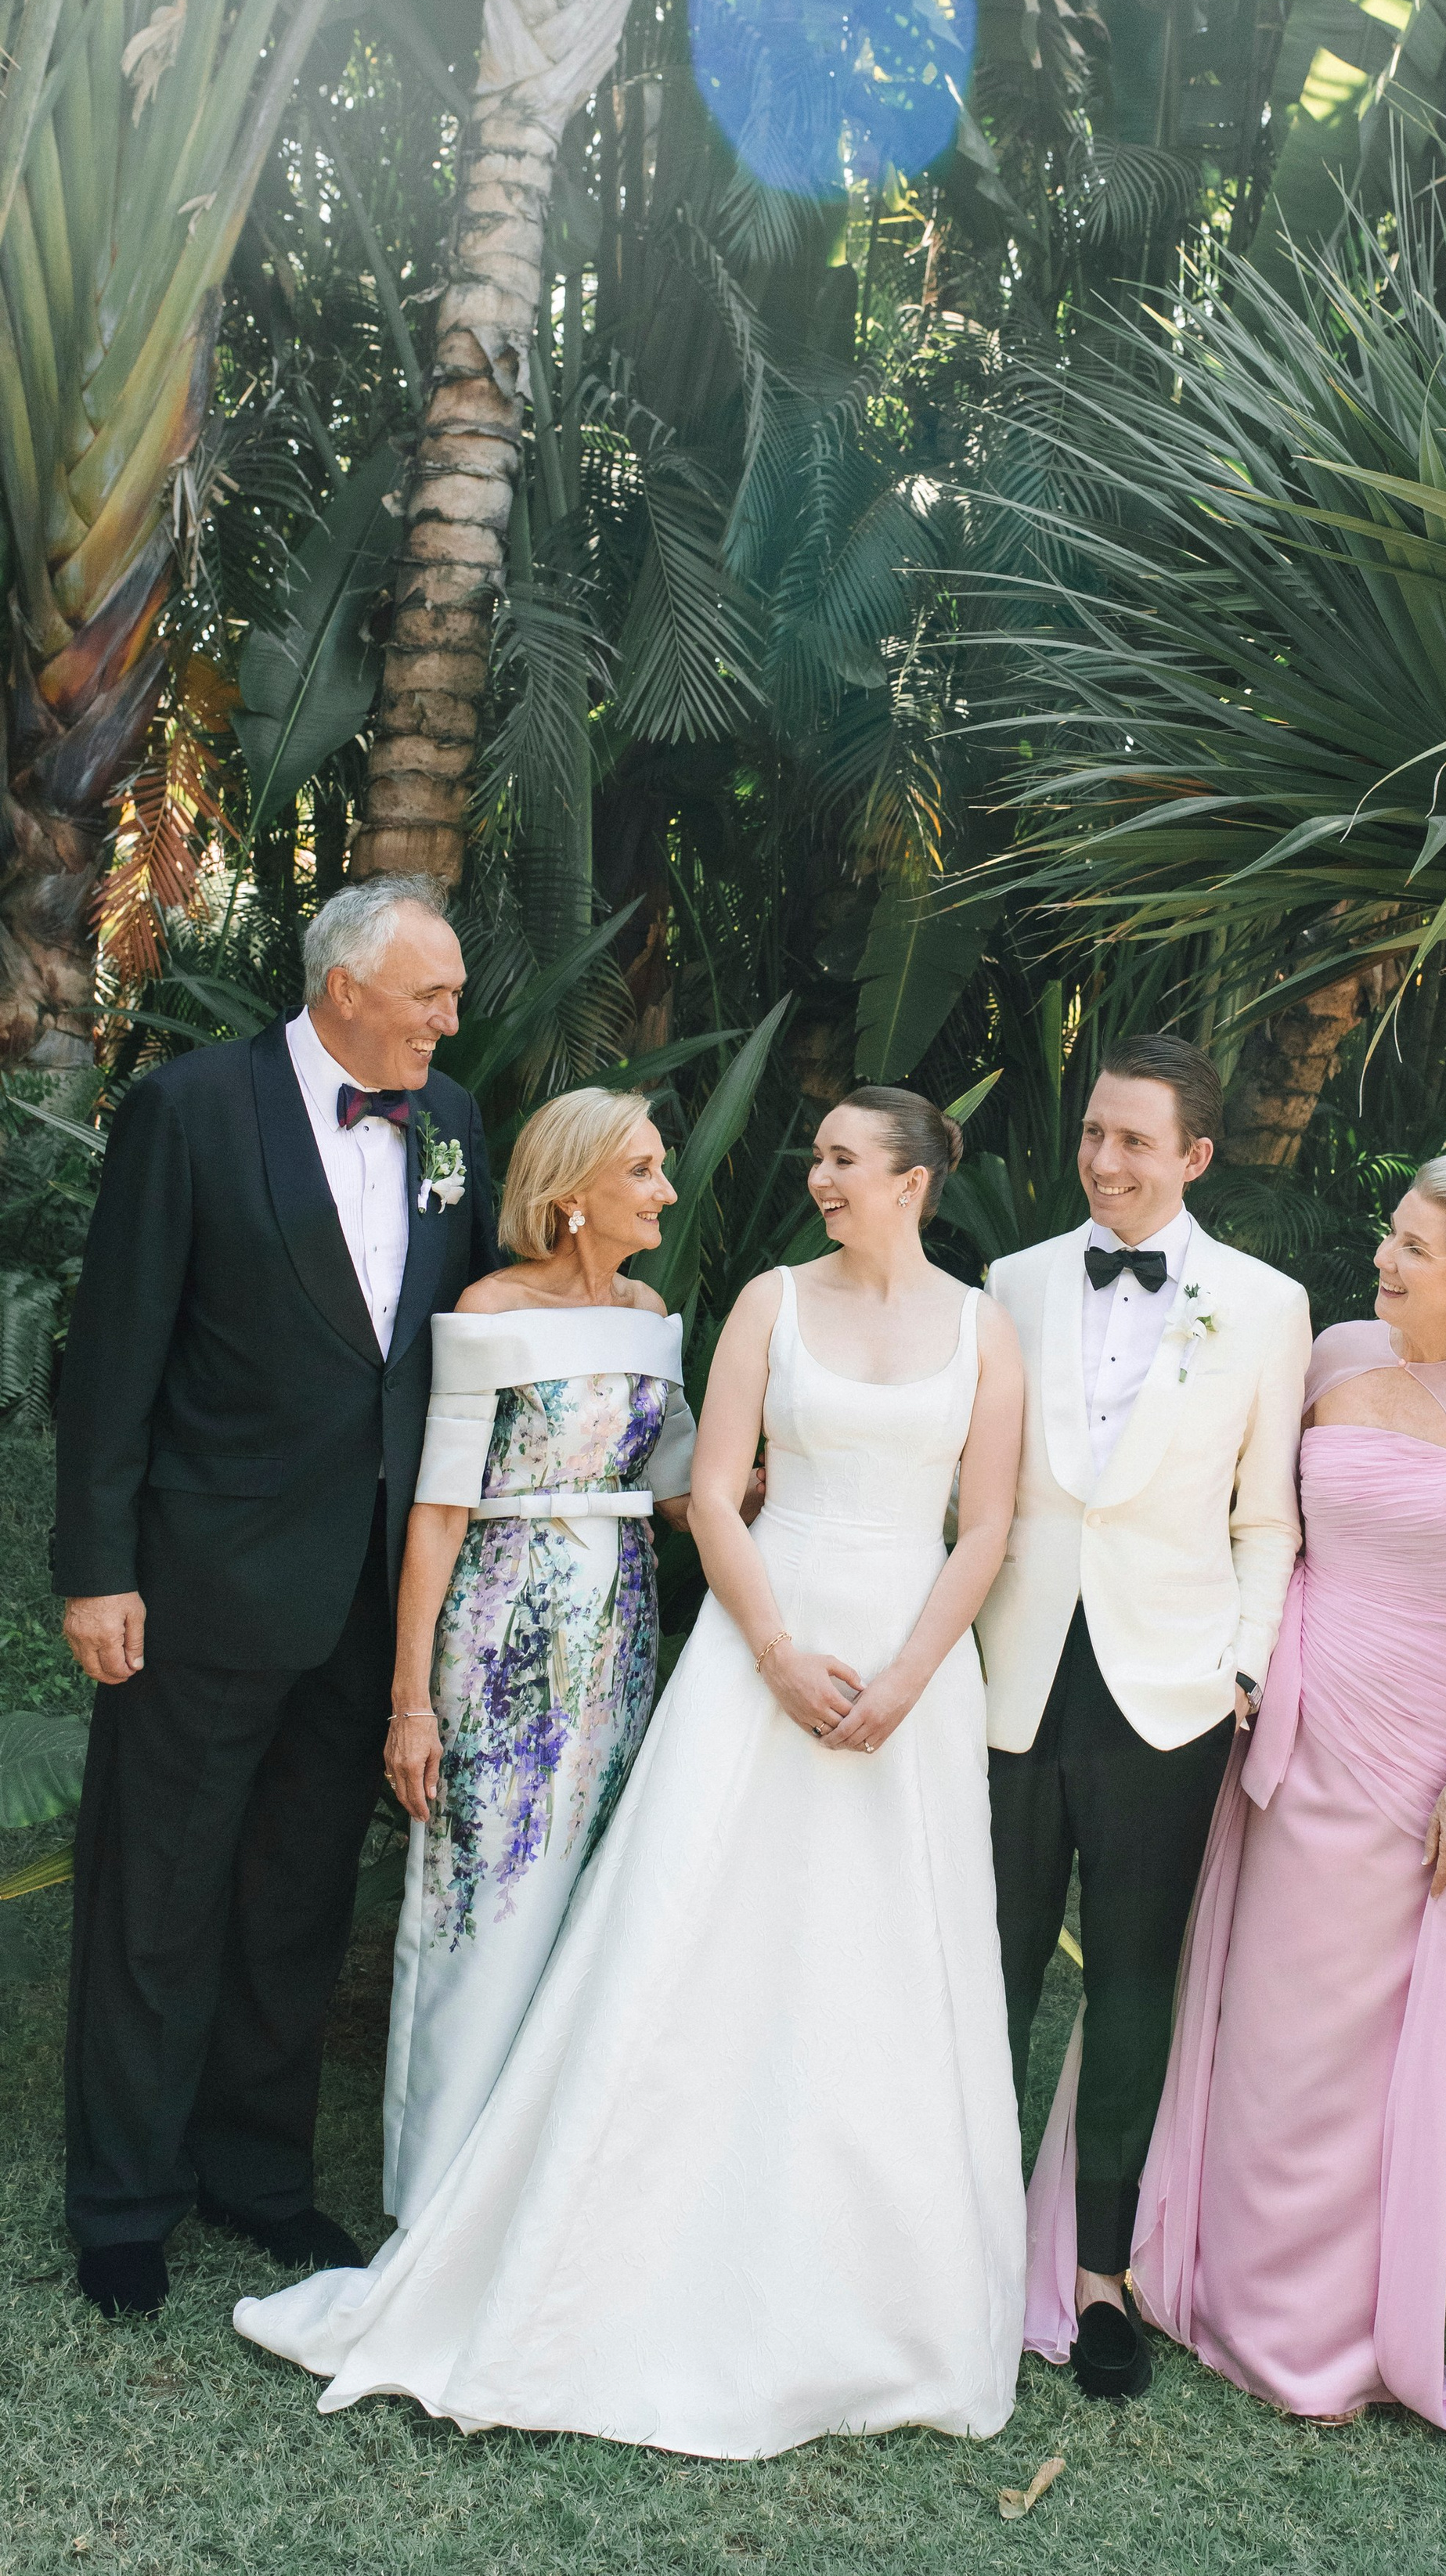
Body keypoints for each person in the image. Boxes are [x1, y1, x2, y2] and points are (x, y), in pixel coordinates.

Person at [236, 1086, 1030, 2459]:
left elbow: (989, 1524)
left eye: (842, 1157)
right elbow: (713, 1491)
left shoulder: (985, 1328)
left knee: (893, 1957)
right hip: (752, 1654)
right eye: (820, 1149)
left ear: (913, 1180)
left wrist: (905, 1677)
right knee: (685, 1940)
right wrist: (774, 1647)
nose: (817, 1172)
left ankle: (877, 2287)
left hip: (911, 1675)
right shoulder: (769, 1304)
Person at [54, 878, 498, 2321]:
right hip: (197, 1584)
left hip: (368, 1591)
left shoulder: (455, 1126)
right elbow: (113, 1353)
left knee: (297, 1895)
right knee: (156, 1898)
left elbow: (458, 1345)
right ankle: (124, 2203)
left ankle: (254, 2174)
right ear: (346, 988)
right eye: (431, 992)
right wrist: (96, 1568)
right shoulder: (191, 1108)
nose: (453, 1015)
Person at [1128, 1159, 1446, 2426]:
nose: (1385, 1259)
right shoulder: (1326, 1354)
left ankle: (1319, 2328)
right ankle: (1217, 2283)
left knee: (1361, 2044)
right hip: (1306, 1726)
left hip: (1423, 1746)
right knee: (1269, 2020)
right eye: (1391, 1235)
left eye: (1415, 1248)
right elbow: (1265, 1524)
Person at [984, 1034, 1312, 2399]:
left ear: (1194, 1157)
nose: (1106, 1161)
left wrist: (1240, 1667)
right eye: (1095, 1135)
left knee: (1129, 1983)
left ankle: (1101, 2275)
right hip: (1006, 1677)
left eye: (1137, 1141)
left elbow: (1267, 1515)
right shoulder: (1008, 1285)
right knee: (984, 1965)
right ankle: (959, 2239)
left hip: (1168, 1692)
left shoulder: (1268, 1303)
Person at [377, 1086, 698, 2226]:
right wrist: (411, 1701)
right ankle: (433, 2199)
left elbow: (681, 1496)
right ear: (570, 1199)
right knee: (486, 1893)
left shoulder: (655, 1316)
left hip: (618, 1648)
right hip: (501, 1644)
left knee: (579, 1899)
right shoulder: (490, 1311)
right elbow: (437, 1514)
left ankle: (532, 2192)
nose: (666, 1188)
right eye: (642, 1171)